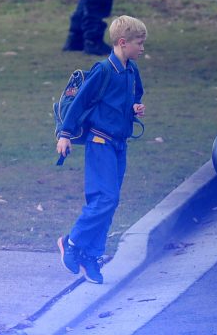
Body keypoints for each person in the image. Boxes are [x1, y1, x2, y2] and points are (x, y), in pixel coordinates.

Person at [56, 15, 147, 284]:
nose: (142, 48)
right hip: (100, 142)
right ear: (122, 43)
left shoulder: (132, 71)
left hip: (119, 145)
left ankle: (92, 256)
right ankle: (71, 243)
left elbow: (136, 95)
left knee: (109, 202)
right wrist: (65, 134)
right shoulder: (103, 70)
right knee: (105, 199)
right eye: (139, 43)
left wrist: (135, 107)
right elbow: (78, 104)